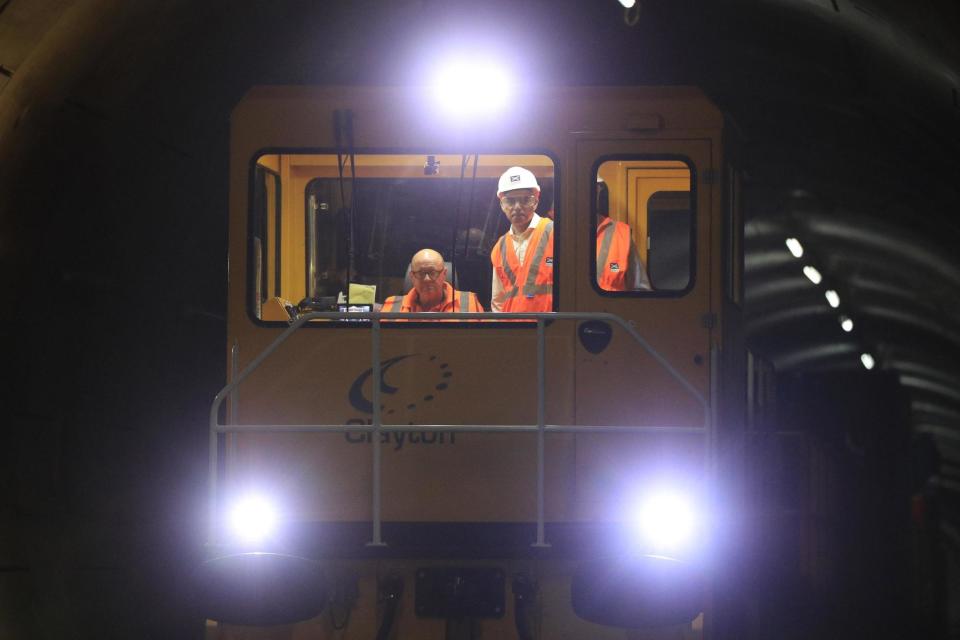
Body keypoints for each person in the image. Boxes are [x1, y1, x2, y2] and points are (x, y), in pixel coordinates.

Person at [490, 166, 554, 312]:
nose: (517, 207)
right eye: (510, 201)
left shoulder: (556, 234)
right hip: (512, 331)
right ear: (502, 205)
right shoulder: (499, 248)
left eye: (525, 200)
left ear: (536, 201)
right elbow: (498, 301)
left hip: (549, 329)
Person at [382, 248, 484, 313]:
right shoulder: (392, 307)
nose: (427, 279)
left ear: (444, 274)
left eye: (432, 272)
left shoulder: (469, 303)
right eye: (421, 273)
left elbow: (486, 342)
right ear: (412, 276)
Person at [596, 180, 651, 291]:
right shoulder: (554, 232)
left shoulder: (620, 234)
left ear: (598, 191)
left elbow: (641, 290)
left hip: (611, 308)